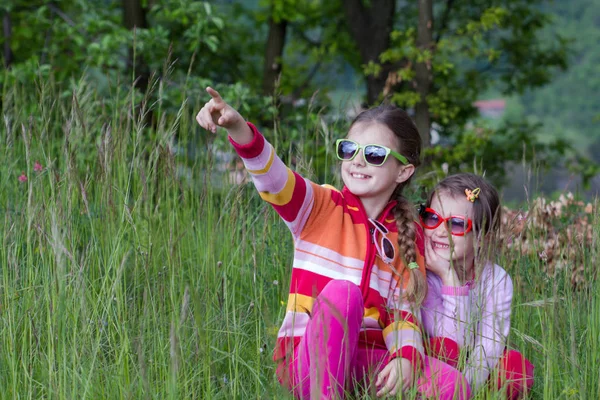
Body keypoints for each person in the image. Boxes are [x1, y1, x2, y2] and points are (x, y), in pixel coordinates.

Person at [196, 87, 469, 399]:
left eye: (374, 155)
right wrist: (238, 128)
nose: (357, 161)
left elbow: (402, 311)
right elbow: (273, 178)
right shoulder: (319, 206)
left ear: (403, 170)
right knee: (345, 294)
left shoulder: (404, 236)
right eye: (349, 149)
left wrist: (405, 358)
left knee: (452, 384)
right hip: (308, 360)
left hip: (365, 363)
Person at [420, 173, 534, 399]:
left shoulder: (497, 280)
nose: (440, 231)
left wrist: (467, 390)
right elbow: (452, 340)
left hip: (477, 369)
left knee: (516, 367)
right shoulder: (422, 275)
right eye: (433, 218)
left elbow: (490, 345)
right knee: (445, 348)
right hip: (438, 363)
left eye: (456, 224)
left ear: (482, 237)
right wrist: (449, 279)